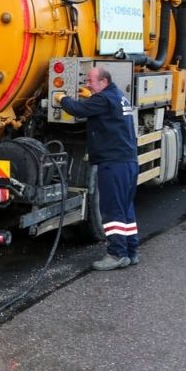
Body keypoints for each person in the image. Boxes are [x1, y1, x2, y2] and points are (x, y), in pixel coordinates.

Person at [54, 67, 138, 271]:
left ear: (104, 81)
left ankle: (117, 254)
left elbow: (79, 110)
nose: (87, 84)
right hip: (127, 162)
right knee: (125, 208)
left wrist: (61, 99)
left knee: (111, 209)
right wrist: (91, 96)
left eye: (91, 81)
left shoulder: (103, 100)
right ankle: (131, 251)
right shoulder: (117, 96)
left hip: (113, 163)